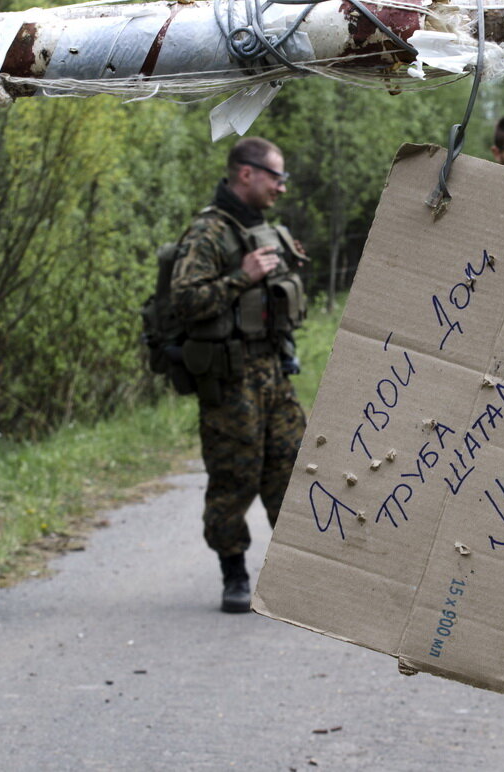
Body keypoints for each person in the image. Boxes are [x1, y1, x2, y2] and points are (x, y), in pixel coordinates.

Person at [171, 137, 308, 614]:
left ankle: (298, 576)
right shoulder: (208, 233)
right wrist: (240, 278)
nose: (282, 188)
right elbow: (184, 300)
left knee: (293, 469)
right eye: (276, 177)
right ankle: (234, 575)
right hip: (231, 381)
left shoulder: (265, 230)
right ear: (246, 174)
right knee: (234, 476)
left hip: (274, 372)